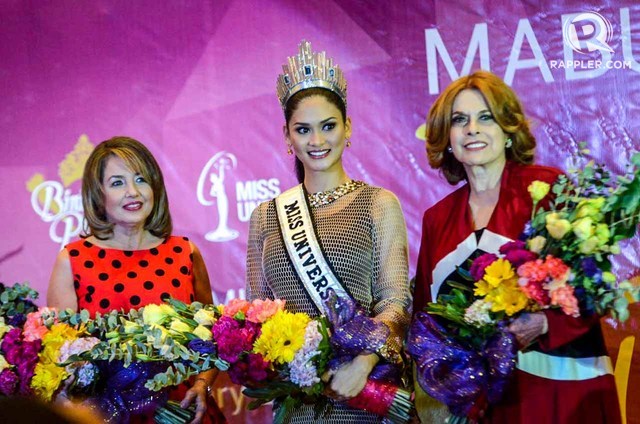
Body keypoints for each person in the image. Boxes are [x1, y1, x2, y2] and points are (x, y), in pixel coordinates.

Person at [412, 70, 620, 423]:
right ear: (447, 138)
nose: (472, 129)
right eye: (460, 120)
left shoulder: (548, 189)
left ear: (508, 132)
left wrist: (542, 323)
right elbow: (426, 318)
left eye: (486, 118)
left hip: (560, 392)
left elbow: (595, 285)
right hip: (485, 404)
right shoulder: (437, 218)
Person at [246, 40, 412, 423]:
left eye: (328, 126)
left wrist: (365, 362)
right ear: (287, 137)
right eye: (303, 130)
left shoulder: (378, 203)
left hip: (362, 395)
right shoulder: (265, 215)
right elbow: (256, 314)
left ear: (347, 127)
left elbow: (396, 304)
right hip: (295, 404)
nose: (317, 141)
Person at [47, 136, 225, 424]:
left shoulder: (185, 252)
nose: (133, 192)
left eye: (141, 179)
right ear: (98, 194)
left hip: (183, 412)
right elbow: (60, 354)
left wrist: (202, 384)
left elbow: (214, 338)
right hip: (104, 415)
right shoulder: (73, 259)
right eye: (117, 183)